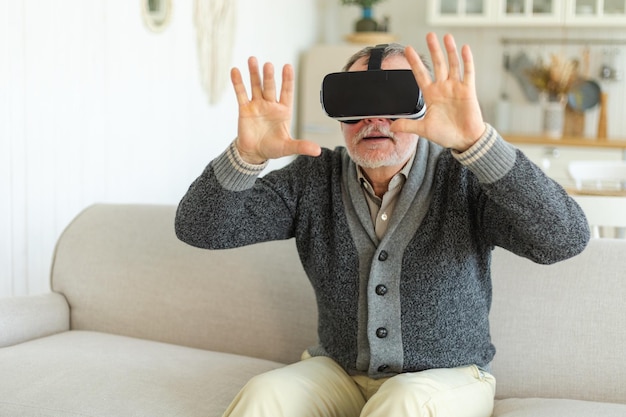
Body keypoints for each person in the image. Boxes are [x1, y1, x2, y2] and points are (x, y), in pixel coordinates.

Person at [175, 33, 590, 417]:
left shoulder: (463, 176)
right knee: (265, 394)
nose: (374, 118)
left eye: (392, 99)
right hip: (338, 374)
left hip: (448, 379)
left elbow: (565, 239)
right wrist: (246, 157)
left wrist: (478, 145)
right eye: (356, 102)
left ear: (424, 105)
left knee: (403, 401)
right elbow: (199, 228)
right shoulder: (312, 178)